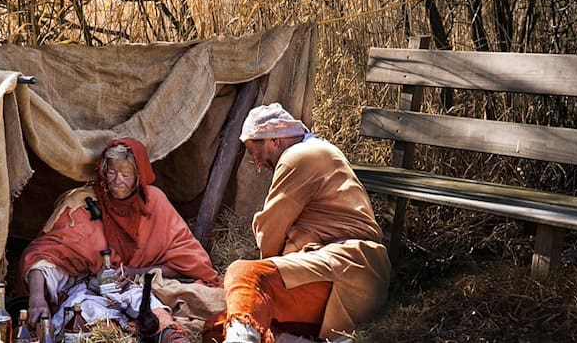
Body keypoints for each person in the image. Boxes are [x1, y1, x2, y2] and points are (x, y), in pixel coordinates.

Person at [203, 103, 391, 343]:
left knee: (244, 273)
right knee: (214, 327)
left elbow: (270, 231)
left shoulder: (299, 156)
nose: (258, 164)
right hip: (340, 273)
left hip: (348, 267)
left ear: (274, 140)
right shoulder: (317, 151)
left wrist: (257, 275)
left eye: (256, 154)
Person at [20, 137, 221, 342]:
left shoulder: (153, 203)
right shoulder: (84, 205)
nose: (117, 181)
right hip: (88, 290)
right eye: (112, 172)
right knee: (80, 316)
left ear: (138, 176)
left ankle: (170, 335)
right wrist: (37, 298)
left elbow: (187, 261)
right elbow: (44, 256)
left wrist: (135, 273)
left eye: (126, 175)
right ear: (103, 172)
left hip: (140, 288)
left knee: (154, 312)